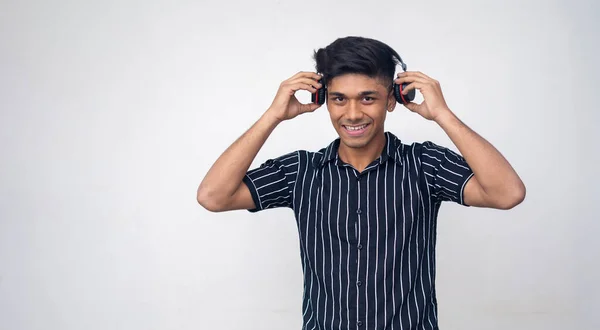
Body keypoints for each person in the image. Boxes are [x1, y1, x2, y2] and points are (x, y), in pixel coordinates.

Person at [197, 36, 525, 330]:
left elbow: (507, 193)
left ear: (392, 99)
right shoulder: (301, 172)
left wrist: (443, 115)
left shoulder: (424, 165)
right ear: (324, 100)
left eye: (368, 98)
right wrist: (273, 115)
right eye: (339, 99)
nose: (352, 113)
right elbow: (213, 196)